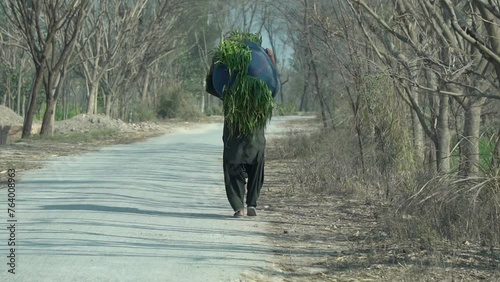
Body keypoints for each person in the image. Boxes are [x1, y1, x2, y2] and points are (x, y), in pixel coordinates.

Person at [205, 42, 276, 218]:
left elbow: (210, 86)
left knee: (233, 170)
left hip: (233, 139)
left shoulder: (229, 93)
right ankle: (251, 203)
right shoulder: (262, 94)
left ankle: (239, 207)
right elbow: (274, 83)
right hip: (255, 140)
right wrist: (271, 60)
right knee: (256, 169)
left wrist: (214, 63)